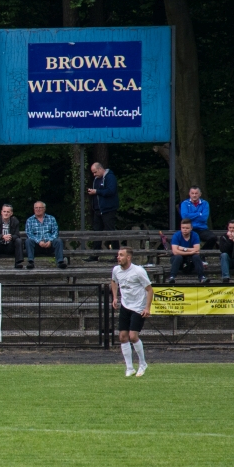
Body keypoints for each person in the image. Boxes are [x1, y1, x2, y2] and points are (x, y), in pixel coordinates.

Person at [110, 246, 153, 377]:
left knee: (133, 336)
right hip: (125, 306)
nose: (118, 257)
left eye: (121, 255)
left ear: (128, 257)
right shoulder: (116, 270)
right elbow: (113, 281)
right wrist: (115, 297)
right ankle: (129, 368)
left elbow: (150, 289)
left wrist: (147, 308)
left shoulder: (138, 271)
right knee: (123, 336)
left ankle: (142, 363)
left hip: (138, 307)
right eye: (118, 255)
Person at [85, 162, 119, 257]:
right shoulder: (96, 179)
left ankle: (117, 255)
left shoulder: (110, 177)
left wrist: (97, 191)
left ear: (100, 169)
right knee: (97, 232)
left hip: (108, 209)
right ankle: (95, 255)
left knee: (110, 231)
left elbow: (111, 191)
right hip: (97, 209)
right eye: (93, 172)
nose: (94, 174)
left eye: (95, 172)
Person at [25, 201, 65, 268]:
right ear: (34, 209)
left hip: (50, 245)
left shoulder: (51, 218)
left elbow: (55, 232)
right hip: (37, 246)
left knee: (58, 241)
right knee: (28, 241)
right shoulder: (30, 220)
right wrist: (39, 241)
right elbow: (29, 234)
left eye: (40, 207)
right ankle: (30, 262)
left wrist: (50, 241)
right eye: (36, 208)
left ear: (44, 209)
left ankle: (60, 262)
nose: (38, 209)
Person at [167, 219, 207, 283]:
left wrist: (183, 248)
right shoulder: (176, 235)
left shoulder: (195, 235)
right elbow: (175, 252)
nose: (185, 230)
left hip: (190, 259)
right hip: (178, 260)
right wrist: (191, 252)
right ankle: (172, 277)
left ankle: (202, 277)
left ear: (191, 228)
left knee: (196, 257)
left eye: (187, 228)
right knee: (178, 257)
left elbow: (197, 249)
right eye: (183, 228)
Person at [0, 203, 23, 269]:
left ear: (11, 213)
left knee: (19, 240)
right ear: (1, 212)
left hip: (10, 245)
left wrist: (11, 237)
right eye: (4, 211)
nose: (6, 213)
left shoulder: (15, 221)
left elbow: (17, 235)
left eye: (8, 212)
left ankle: (18, 262)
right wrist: (2, 236)